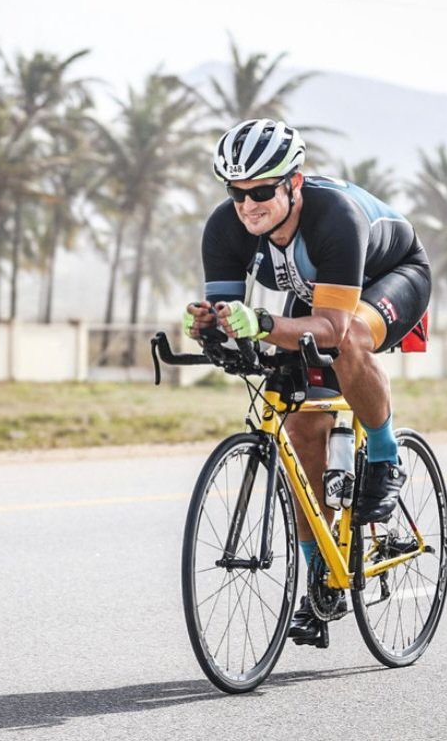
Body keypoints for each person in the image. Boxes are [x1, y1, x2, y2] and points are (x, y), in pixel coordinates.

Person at [183, 118, 431, 646]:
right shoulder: (225, 228)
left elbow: (334, 327)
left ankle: (386, 457)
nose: (248, 204)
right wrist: (213, 328)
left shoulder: (334, 218)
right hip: (317, 293)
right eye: (236, 192)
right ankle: (321, 575)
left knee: (350, 341)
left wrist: (266, 324)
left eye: (262, 191)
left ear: (293, 183)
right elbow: (234, 315)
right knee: (299, 425)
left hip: (391, 276)